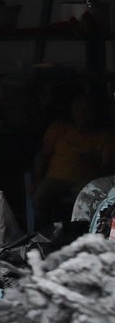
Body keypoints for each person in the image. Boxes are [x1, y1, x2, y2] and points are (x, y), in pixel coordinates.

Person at [32, 90, 115, 228]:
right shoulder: (59, 129)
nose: (82, 114)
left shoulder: (105, 137)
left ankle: (78, 233)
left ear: (95, 113)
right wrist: (36, 180)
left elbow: (107, 165)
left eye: (87, 110)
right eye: (78, 110)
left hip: (83, 181)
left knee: (85, 201)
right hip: (54, 179)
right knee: (40, 197)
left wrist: (95, 170)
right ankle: (46, 231)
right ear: (71, 112)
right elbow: (43, 156)